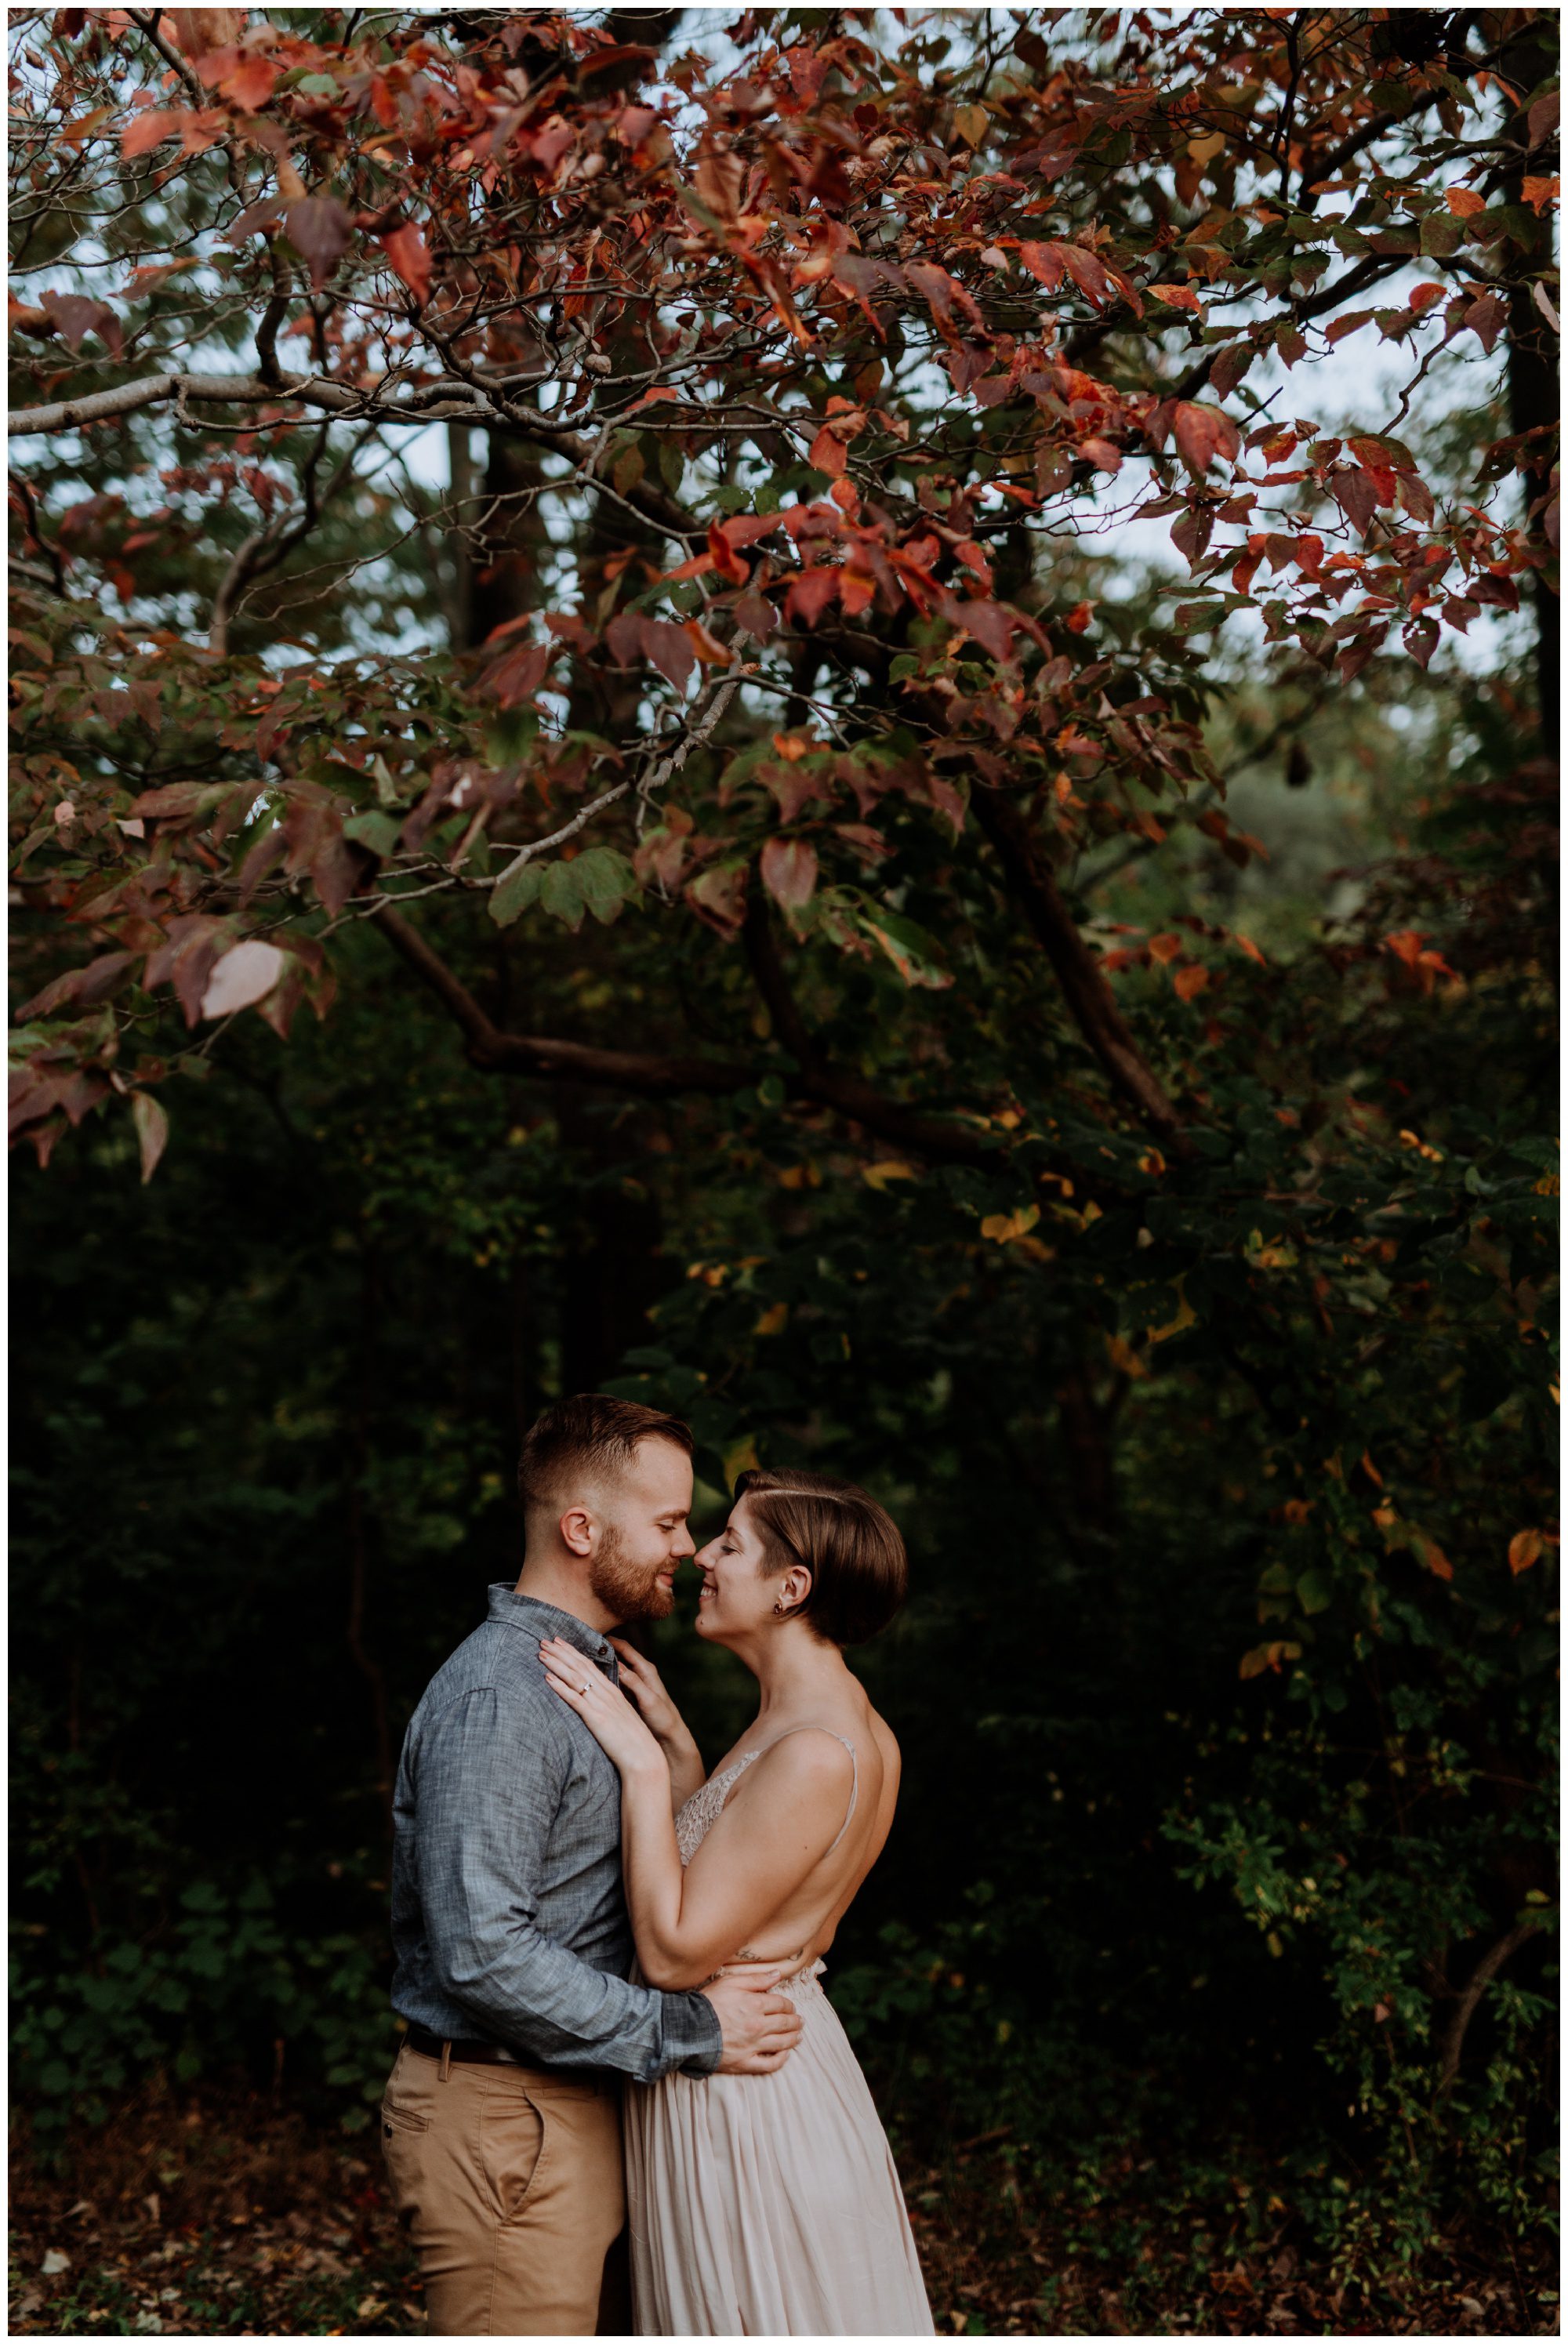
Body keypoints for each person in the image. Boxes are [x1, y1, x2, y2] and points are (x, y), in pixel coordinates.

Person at [379, 1396, 806, 2339]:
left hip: (582, 2098)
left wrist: (675, 1759)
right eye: (667, 1521)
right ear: (580, 1529)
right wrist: (692, 2029)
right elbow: (483, 1952)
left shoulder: (592, 1677)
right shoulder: (502, 1698)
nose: (689, 1546)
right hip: (506, 2115)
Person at [540, 1464, 935, 2338]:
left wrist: (640, 1769)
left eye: (730, 1542)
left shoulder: (814, 1751)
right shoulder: (826, 1722)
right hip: (763, 2054)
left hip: (744, 2087)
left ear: (791, 1587)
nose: (701, 1557)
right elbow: (739, 1887)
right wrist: (680, 1751)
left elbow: (675, 1953)